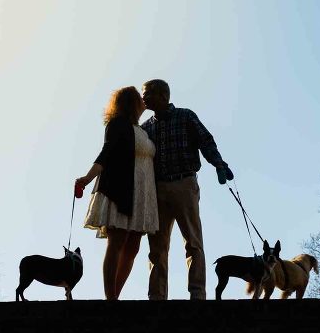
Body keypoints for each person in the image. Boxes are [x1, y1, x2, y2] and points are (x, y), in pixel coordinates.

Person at [140, 79, 233, 300]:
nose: (144, 98)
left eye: (148, 94)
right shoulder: (145, 128)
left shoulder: (185, 116)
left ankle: (197, 294)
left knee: (193, 242)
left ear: (163, 95)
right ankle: (156, 297)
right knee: (156, 248)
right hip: (157, 189)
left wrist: (219, 164)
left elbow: (206, 141)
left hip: (184, 185)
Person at [75, 86, 158, 300]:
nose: (144, 102)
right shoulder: (117, 124)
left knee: (132, 248)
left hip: (142, 194)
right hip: (123, 190)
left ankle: (115, 296)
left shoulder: (143, 130)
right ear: (131, 103)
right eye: (140, 99)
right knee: (117, 243)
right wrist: (87, 178)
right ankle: (110, 298)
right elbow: (106, 153)